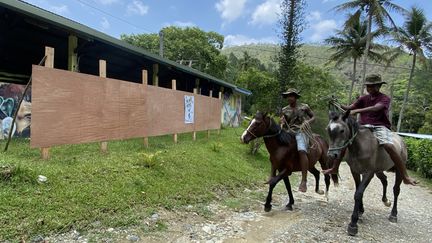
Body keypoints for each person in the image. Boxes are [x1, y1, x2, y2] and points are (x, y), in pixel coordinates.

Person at [323, 74, 416, 186]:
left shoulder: (384, 98)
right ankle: (334, 168)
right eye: (368, 86)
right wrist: (337, 103)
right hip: (363, 126)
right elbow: (349, 108)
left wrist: (358, 111)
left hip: (380, 127)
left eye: (372, 86)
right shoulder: (363, 98)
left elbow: (376, 108)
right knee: (346, 142)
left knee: (389, 145)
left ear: (378, 86)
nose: (369, 88)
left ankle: (405, 176)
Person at [280, 88, 315, 192]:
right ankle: (276, 171)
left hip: (301, 131)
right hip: (289, 132)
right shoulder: (284, 110)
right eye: (288, 96)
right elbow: (284, 122)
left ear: (295, 97)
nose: (289, 98)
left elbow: (313, 117)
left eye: (291, 96)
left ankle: (304, 180)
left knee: (301, 150)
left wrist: (307, 122)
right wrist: (282, 122)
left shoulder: (304, 107)